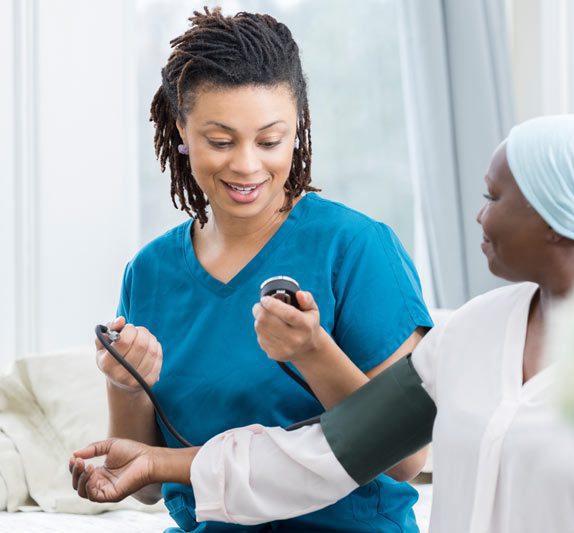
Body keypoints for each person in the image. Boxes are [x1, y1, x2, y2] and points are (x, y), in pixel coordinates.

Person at [71, 115, 574, 532]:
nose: (479, 218)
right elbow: (322, 453)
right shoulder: (475, 333)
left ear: (557, 217)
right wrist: (156, 464)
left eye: (493, 197)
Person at [87, 7, 433, 533]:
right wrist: (126, 385)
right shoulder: (150, 272)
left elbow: (405, 458)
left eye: (270, 141)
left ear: (299, 129)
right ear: (181, 129)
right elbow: (149, 484)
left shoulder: (357, 248)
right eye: (220, 141)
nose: (247, 165)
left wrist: (312, 351)